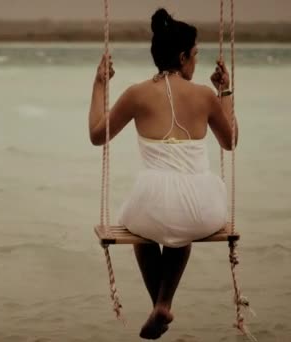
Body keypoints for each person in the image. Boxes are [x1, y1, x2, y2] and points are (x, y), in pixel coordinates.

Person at [88, 8, 238, 340]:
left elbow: (97, 135)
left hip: (151, 203)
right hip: (203, 207)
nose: (196, 62)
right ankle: (164, 300)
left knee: (141, 232)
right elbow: (231, 142)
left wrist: (99, 84)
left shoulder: (136, 94)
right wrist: (225, 93)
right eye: (195, 55)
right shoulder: (204, 96)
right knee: (181, 232)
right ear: (183, 56)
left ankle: (159, 304)